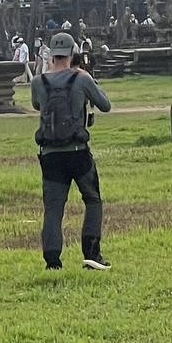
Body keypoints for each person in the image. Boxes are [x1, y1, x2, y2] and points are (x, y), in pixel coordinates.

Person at [31, 31, 111, 271]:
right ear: (73, 53)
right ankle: (92, 254)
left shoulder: (38, 82)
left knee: (54, 208)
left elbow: (37, 105)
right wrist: (86, 78)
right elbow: (105, 105)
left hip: (50, 153)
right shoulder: (82, 78)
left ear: (51, 54)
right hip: (77, 151)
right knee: (92, 199)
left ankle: (53, 261)